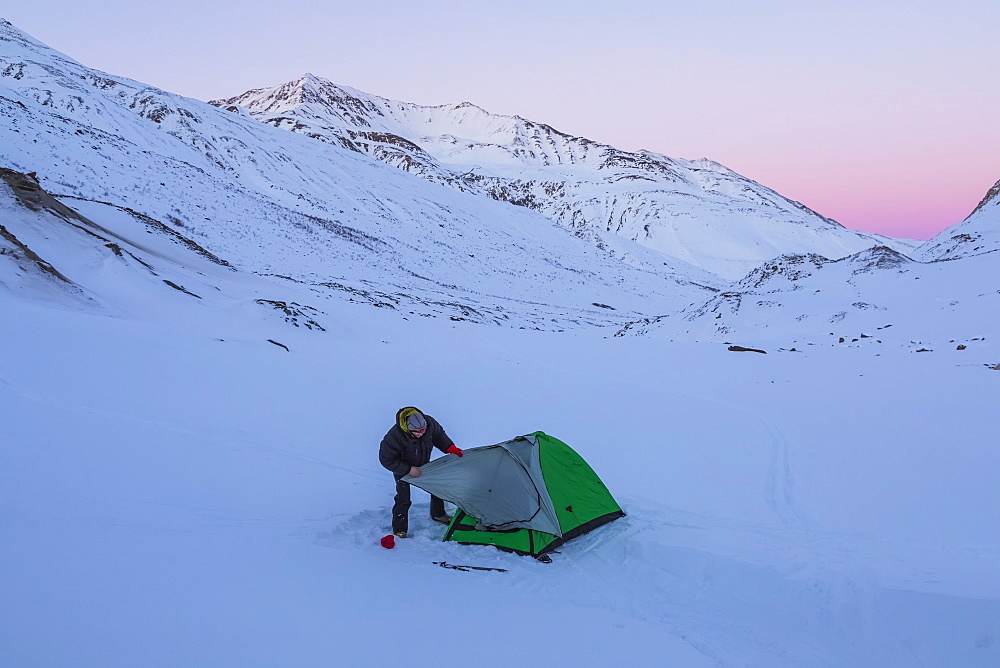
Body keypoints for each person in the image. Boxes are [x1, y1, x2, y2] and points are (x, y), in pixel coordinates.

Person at [378, 407, 463, 537]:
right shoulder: (395, 436)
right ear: (408, 429)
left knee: (437, 487)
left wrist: (449, 447)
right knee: (403, 499)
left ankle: (438, 514)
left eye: (424, 430)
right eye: (418, 432)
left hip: (423, 464)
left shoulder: (429, 423)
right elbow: (386, 459)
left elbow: (439, 436)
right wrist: (408, 469)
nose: (422, 433)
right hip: (403, 468)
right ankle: (399, 529)